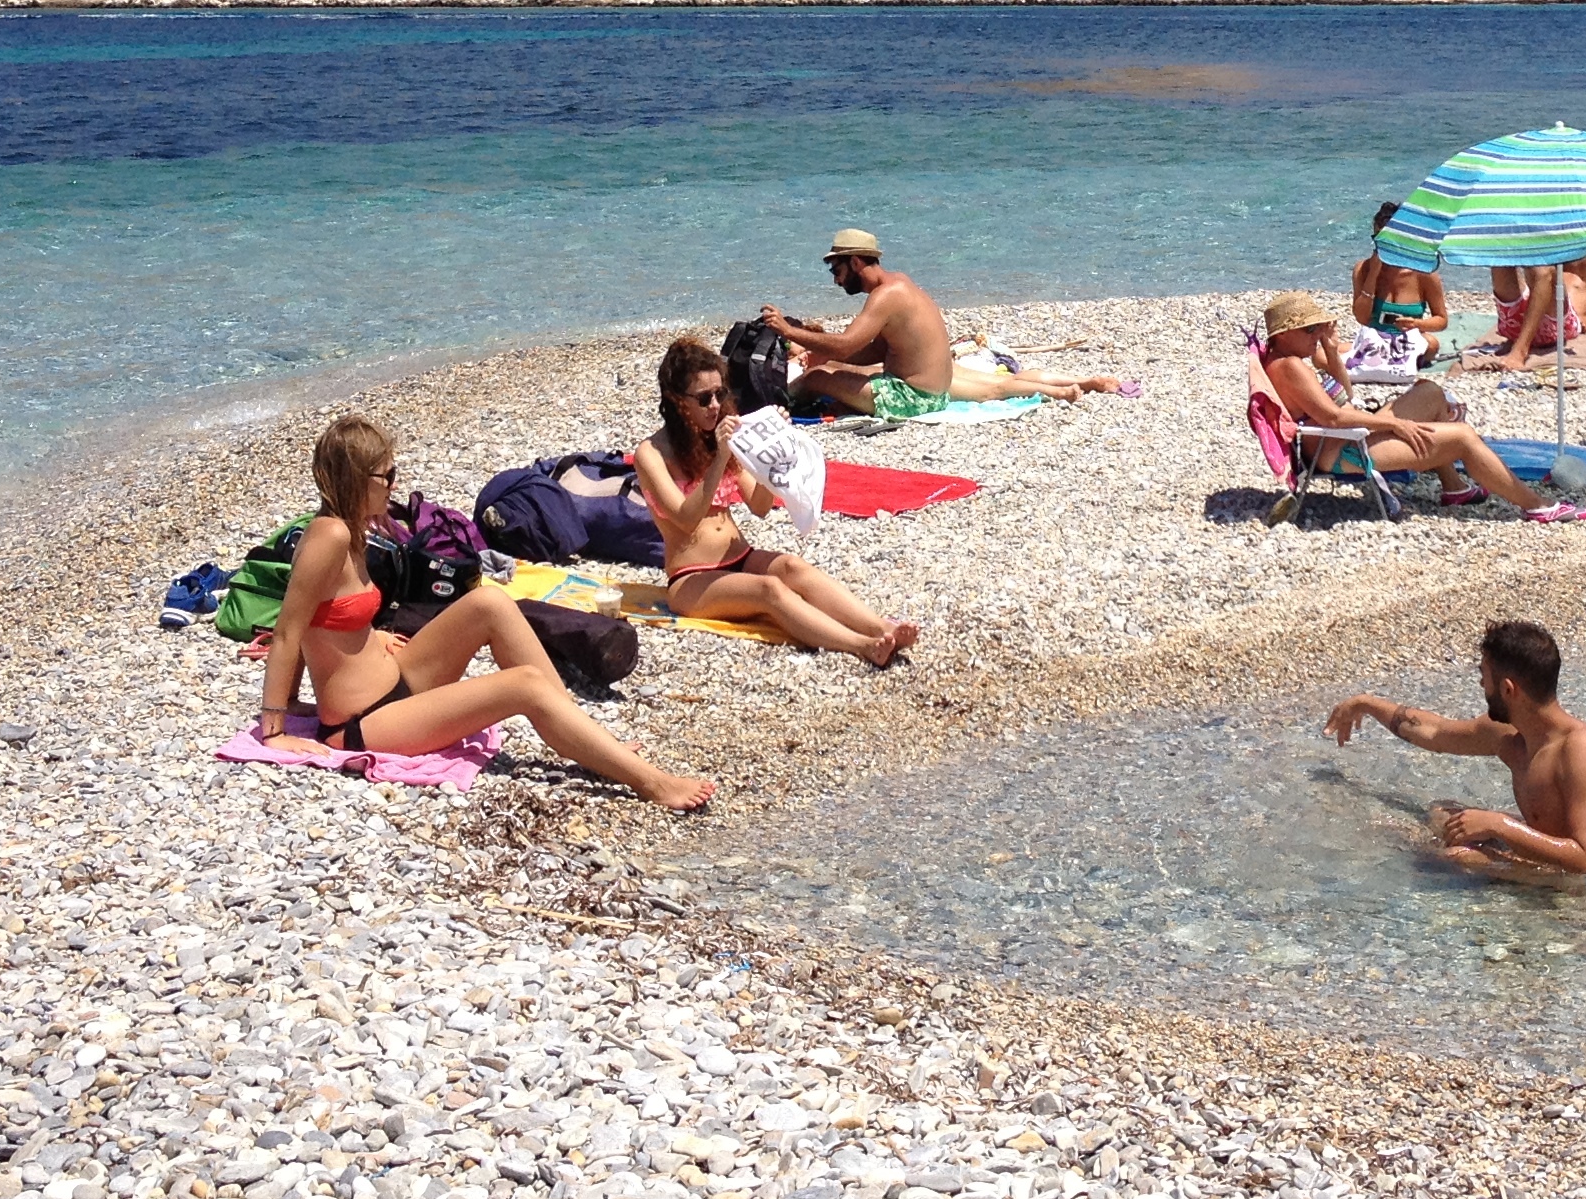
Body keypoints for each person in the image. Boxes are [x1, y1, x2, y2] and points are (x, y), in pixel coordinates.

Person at [254, 414, 714, 812]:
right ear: (356, 480)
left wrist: (372, 640)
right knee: (525, 686)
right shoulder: (328, 536)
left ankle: (585, 737)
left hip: (395, 680)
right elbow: (290, 630)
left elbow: (328, 622)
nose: (395, 484)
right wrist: (275, 726)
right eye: (386, 476)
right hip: (363, 724)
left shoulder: (354, 531)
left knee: (489, 601)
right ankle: (652, 783)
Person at [634, 337, 920, 665]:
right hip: (691, 578)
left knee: (792, 566)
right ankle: (862, 645)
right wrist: (721, 457)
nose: (715, 405)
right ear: (675, 400)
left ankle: (882, 627)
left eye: (719, 394)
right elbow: (685, 518)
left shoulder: (717, 439)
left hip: (740, 556)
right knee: (769, 590)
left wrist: (773, 453)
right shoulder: (652, 453)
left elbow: (760, 506)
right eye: (703, 398)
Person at [1323, 619, 1586, 884]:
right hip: (1562, 859)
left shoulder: (1583, 751)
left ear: (1507, 689)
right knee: (1443, 815)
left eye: (1483, 677)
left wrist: (1498, 825)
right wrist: (1366, 703)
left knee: (1455, 858)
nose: (1481, 686)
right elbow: (1434, 731)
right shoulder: (1512, 734)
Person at [1259, 293, 1585, 519]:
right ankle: (1538, 506)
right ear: (1286, 333)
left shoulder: (1288, 359)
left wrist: (1330, 350)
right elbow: (1332, 416)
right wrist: (1394, 424)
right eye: (1310, 330)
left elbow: (1344, 396)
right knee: (1462, 437)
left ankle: (1455, 488)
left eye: (1318, 328)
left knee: (1429, 392)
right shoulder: (1290, 365)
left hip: (1347, 434)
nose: (1316, 335)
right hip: (1341, 451)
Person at [764, 229, 1124, 413]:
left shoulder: (883, 297)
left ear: (856, 263)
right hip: (936, 383)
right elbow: (869, 350)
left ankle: (773, 405)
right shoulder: (900, 284)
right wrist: (831, 355)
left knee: (816, 378)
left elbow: (846, 345)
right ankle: (1074, 384)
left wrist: (787, 330)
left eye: (837, 269)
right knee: (998, 386)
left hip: (916, 397)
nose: (836, 278)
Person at [1463, 250, 1586, 371]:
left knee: (1544, 271)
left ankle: (1520, 351)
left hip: (1558, 326)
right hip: (1515, 324)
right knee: (1499, 260)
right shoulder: (1552, 252)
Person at [1351, 201, 1449, 340]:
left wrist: (1416, 324)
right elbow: (1362, 318)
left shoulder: (1423, 273)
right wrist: (1372, 275)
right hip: (1374, 342)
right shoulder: (1363, 269)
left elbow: (1441, 319)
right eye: (1378, 240)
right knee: (1321, 356)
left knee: (1431, 343)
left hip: (1409, 342)